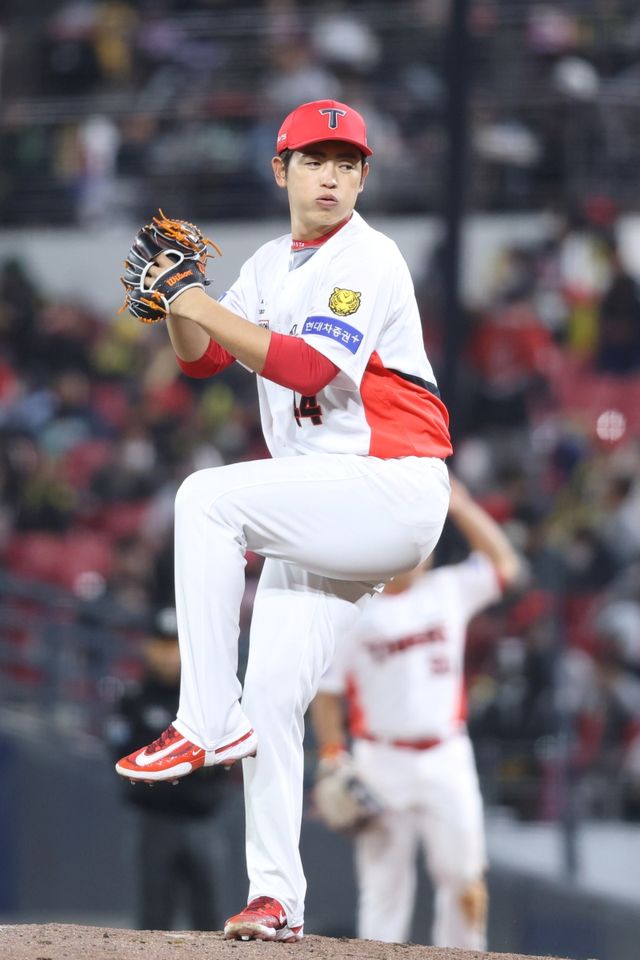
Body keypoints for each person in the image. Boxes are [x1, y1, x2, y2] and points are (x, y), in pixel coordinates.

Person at [115, 98, 453, 942]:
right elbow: (203, 361)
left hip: (389, 485)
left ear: (363, 177)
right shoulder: (270, 264)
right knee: (270, 695)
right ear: (282, 170)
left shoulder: (368, 256)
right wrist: (180, 308)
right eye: (314, 159)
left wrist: (196, 298)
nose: (331, 175)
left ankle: (202, 719)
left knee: (205, 498)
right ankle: (276, 900)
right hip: (322, 506)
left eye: (347, 163)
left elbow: (305, 368)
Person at [310, 478, 520, 948]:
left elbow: (506, 564)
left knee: (465, 881)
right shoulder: (354, 610)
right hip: (381, 760)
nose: (423, 552)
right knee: (384, 890)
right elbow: (326, 693)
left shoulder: (449, 589)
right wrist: (332, 754)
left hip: (447, 753)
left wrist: (463, 507)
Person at [106, 608, 228, 931]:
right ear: (148, 647)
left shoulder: (204, 701)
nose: (169, 654)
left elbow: (226, 758)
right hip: (154, 822)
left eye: (175, 645)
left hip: (203, 820)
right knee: (154, 919)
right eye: (162, 644)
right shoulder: (134, 700)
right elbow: (120, 760)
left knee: (209, 920)